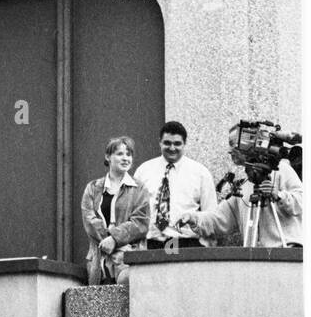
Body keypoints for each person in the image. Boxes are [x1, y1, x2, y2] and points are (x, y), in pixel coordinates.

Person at [183, 140, 302, 248]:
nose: (230, 151)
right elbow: (217, 220)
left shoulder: (280, 170)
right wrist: (193, 218)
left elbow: (302, 203)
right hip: (256, 259)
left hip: (286, 253)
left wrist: (279, 195)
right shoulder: (244, 186)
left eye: (234, 144)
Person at [134, 120, 218, 249]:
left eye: (177, 143)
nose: (172, 148)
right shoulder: (143, 171)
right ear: (160, 142)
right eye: (167, 143)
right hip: (153, 245)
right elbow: (134, 211)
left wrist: (206, 249)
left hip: (187, 245)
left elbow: (211, 215)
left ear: (184, 144)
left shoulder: (200, 173)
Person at [80, 135, 150, 284]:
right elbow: (89, 221)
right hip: (98, 260)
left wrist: (114, 239)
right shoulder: (92, 188)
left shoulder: (140, 189)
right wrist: (106, 241)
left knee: (128, 289)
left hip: (128, 257)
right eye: (120, 154)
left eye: (129, 154)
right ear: (108, 157)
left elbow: (140, 223)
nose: (126, 158)